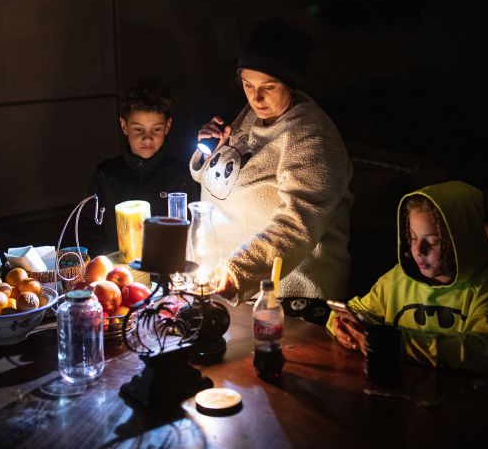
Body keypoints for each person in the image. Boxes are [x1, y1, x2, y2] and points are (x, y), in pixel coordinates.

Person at [191, 16, 353, 324]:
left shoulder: (310, 137)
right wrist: (208, 154)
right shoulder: (251, 116)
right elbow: (227, 182)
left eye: (268, 86)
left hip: (289, 303)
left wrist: (236, 273)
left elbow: (296, 225)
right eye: (248, 85)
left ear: (290, 82)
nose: (256, 97)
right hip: (230, 293)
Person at [328, 181, 488, 378]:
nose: (418, 251)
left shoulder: (484, 286)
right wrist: (343, 327)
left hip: (461, 397)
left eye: (432, 241)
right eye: (413, 238)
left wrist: (398, 345)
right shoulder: (398, 279)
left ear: (461, 241)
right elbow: (359, 311)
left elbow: (484, 351)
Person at [86, 79, 197, 256]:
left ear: (167, 126)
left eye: (156, 130)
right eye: (139, 130)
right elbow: (90, 229)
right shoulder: (106, 174)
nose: (147, 139)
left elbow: (193, 229)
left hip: (166, 270)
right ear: (124, 126)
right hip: (118, 274)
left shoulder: (181, 174)